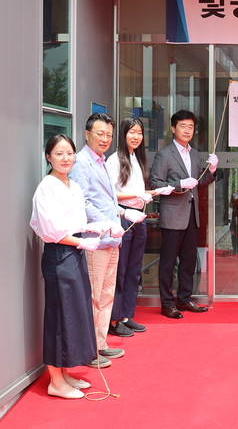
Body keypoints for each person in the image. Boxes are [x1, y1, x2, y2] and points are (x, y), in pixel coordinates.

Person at [30, 135, 108, 398]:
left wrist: (91, 227)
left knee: (74, 312)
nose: (66, 158)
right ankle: (55, 381)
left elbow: (75, 221)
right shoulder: (46, 187)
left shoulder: (73, 185)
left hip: (74, 252)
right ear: (48, 156)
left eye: (70, 153)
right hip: (59, 255)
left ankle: (63, 373)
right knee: (58, 317)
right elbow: (52, 231)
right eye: (59, 153)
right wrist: (80, 241)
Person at [71, 113, 144, 368]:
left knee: (106, 296)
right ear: (87, 134)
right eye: (100, 134)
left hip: (112, 239)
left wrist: (123, 212)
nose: (105, 139)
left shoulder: (100, 161)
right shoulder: (81, 162)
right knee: (93, 297)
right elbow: (85, 202)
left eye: (109, 135)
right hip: (96, 239)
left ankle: (101, 343)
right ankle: (89, 350)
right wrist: (108, 222)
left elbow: (109, 198)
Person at [149, 110, 218, 319]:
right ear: (173, 128)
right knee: (169, 262)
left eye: (190, 127)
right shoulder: (164, 154)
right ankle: (167, 303)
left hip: (191, 214)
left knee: (189, 259)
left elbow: (198, 183)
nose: (187, 130)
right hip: (172, 215)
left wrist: (212, 171)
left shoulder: (195, 154)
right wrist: (179, 184)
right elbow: (155, 184)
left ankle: (185, 298)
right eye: (183, 126)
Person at [106, 117, 171, 337]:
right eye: (132, 132)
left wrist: (157, 192)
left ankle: (126, 315)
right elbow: (111, 195)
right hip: (123, 216)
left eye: (140, 133)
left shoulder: (137, 158)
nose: (136, 136)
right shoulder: (115, 160)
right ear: (123, 134)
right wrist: (137, 195)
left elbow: (138, 192)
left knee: (134, 270)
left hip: (139, 217)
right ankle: (114, 320)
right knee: (121, 270)